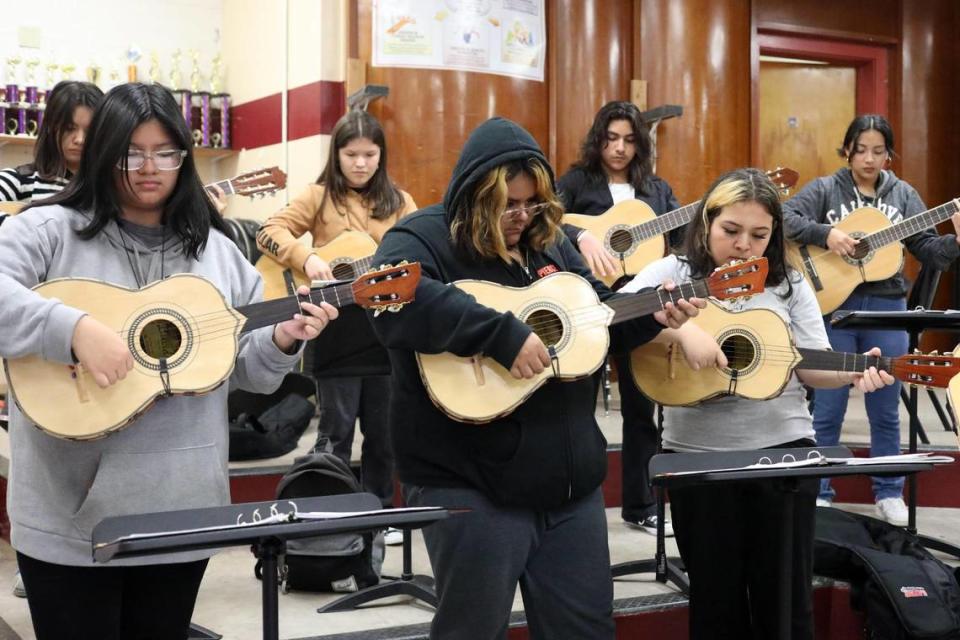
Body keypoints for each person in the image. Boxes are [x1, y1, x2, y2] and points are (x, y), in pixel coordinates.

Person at [0, 82, 337, 640]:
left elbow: (249, 370)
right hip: (72, 517)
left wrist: (283, 338)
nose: (149, 168)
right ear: (105, 150)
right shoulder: (44, 230)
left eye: (165, 152)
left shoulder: (218, 250)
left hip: (181, 508)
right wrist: (73, 327)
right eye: (132, 152)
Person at [367, 116, 704, 639]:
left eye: (532, 203)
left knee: (587, 630)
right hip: (468, 485)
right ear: (475, 194)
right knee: (472, 630)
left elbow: (597, 316)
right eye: (507, 205)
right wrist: (499, 335)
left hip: (570, 488)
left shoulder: (554, 242)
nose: (521, 216)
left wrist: (652, 317)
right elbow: (388, 299)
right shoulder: (421, 237)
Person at [621, 167, 894, 639]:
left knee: (784, 606)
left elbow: (812, 366)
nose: (744, 244)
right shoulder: (673, 273)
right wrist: (680, 328)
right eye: (730, 230)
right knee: (715, 603)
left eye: (759, 235)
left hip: (784, 456)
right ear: (706, 222)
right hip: (699, 461)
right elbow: (611, 314)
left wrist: (853, 371)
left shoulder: (788, 285)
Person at [782, 114, 960, 526]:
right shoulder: (827, 188)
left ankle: (889, 490)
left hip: (887, 308)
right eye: (860, 149)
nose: (868, 158)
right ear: (847, 150)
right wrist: (826, 235)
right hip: (835, 309)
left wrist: (954, 242)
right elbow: (785, 217)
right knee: (827, 405)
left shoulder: (903, 195)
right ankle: (821, 489)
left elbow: (928, 250)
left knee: (886, 405)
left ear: (888, 154)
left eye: (878, 151)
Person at [256, 110, 416, 542]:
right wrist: (305, 258)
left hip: (384, 330)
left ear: (381, 156)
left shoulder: (400, 203)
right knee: (336, 431)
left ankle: (381, 516)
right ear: (337, 154)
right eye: (351, 154)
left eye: (369, 154)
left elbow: (420, 252)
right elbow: (268, 231)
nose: (361, 164)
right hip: (331, 331)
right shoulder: (317, 196)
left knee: (383, 435)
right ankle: (333, 518)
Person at [557, 99, 682, 535]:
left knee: (641, 406)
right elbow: (545, 220)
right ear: (598, 139)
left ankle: (641, 504)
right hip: (588, 302)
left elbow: (686, 237)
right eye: (611, 138)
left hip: (642, 308)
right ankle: (573, 500)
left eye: (630, 140)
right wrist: (581, 233)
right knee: (576, 406)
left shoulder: (658, 190)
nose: (619, 148)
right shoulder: (576, 182)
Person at [0, 80, 103, 203]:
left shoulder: (111, 189)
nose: (80, 140)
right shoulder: (20, 180)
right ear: (50, 126)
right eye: (69, 128)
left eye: (89, 131)